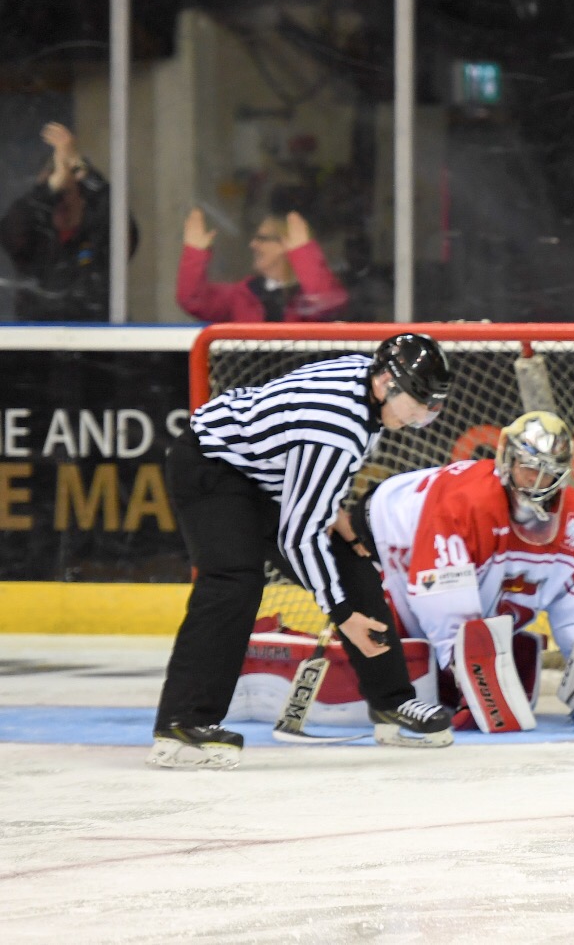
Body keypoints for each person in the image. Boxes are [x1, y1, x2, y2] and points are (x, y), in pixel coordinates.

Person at [151, 333, 457, 769]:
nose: (424, 415)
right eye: (421, 403)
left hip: (264, 472)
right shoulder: (337, 427)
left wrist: (337, 522)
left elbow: (307, 478)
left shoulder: (366, 385)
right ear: (387, 383)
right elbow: (298, 535)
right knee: (233, 581)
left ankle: (392, 704)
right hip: (213, 462)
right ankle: (181, 725)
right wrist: (343, 615)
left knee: (354, 566)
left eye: (434, 406)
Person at [344, 411, 574, 732]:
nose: (536, 481)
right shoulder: (466, 502)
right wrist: (464, 668)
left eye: (547, 472)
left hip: (451, 546)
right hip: (383, 535)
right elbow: (440, 593)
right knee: (394, 646)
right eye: (528, 467)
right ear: (506, 458)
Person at [0, 121, 139, 320]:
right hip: (37, 342)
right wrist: (49, 188)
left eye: (67, 191)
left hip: (97, 342)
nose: (60, 201)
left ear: (82, 195)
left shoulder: (99, 233)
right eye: (55, 194)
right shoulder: (35, 237)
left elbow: (125, 229)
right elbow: (11, 230)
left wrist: (84, 172)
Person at [177, 206, 348, 322]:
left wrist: (303, 252)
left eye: (262, 239)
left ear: (286, 244)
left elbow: (326, 303)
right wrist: (195, 253)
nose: (253, 245)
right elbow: (193, 301)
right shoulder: (242, 294)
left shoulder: (309, 296)